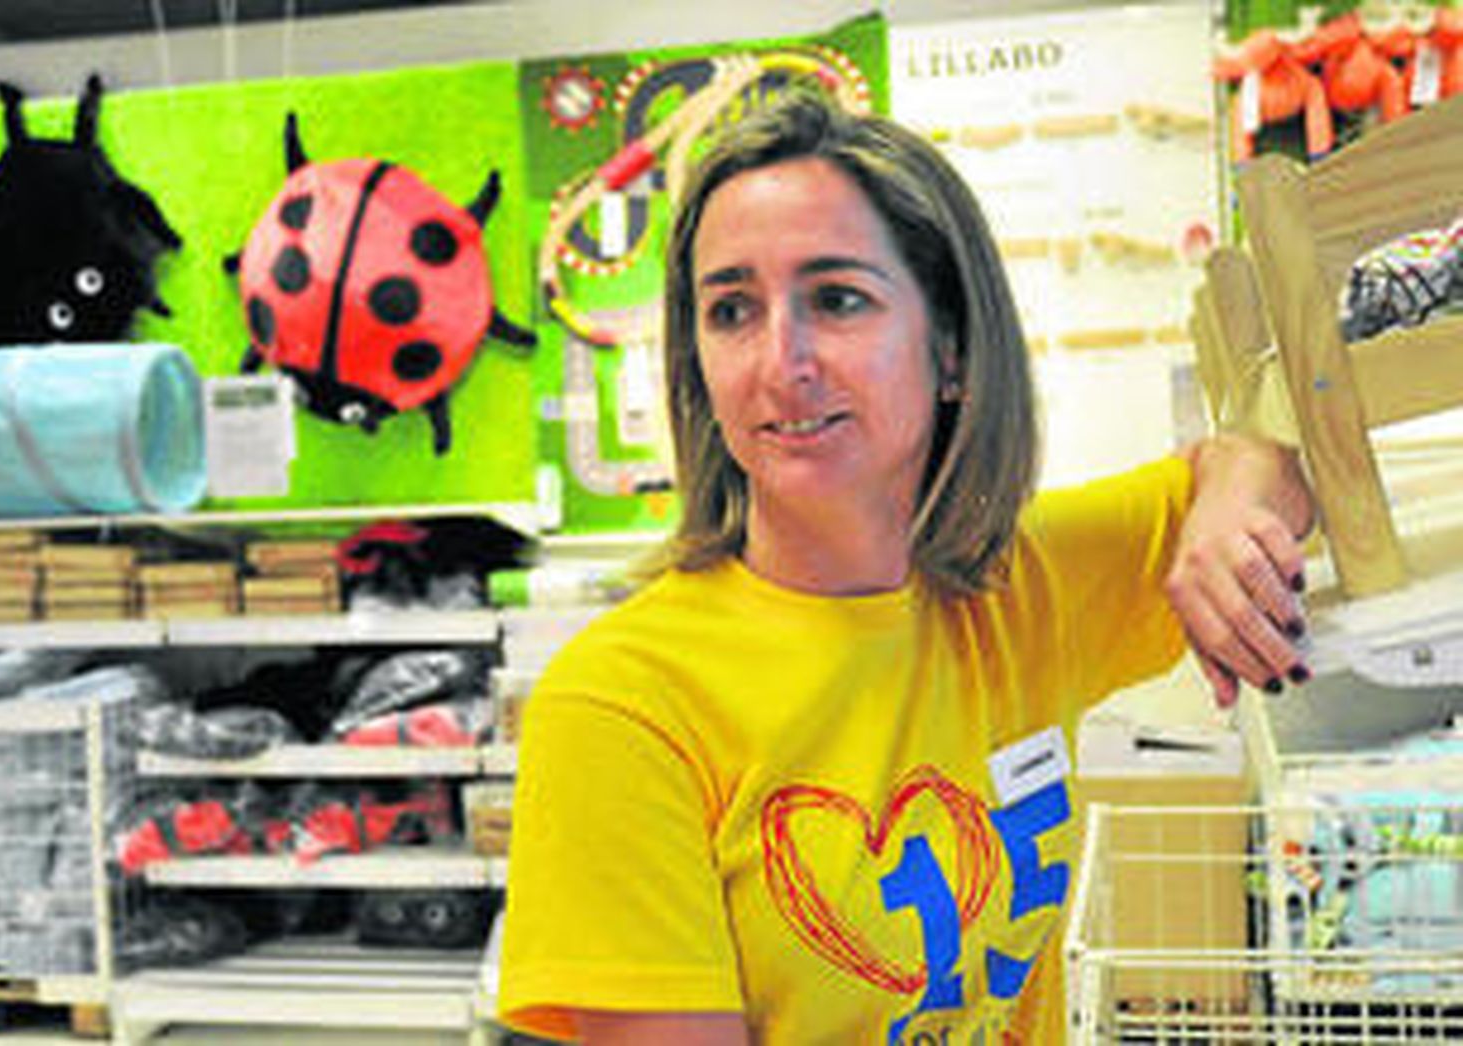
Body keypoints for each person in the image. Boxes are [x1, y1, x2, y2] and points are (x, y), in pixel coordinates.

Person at [499, 90, 1314, 1045]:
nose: (781, 361)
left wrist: (1232, 508)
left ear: (953, 351)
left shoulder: (1021, 583)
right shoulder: (622, 706)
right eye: (731, 311)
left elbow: (1267, 455)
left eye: (837, 299)